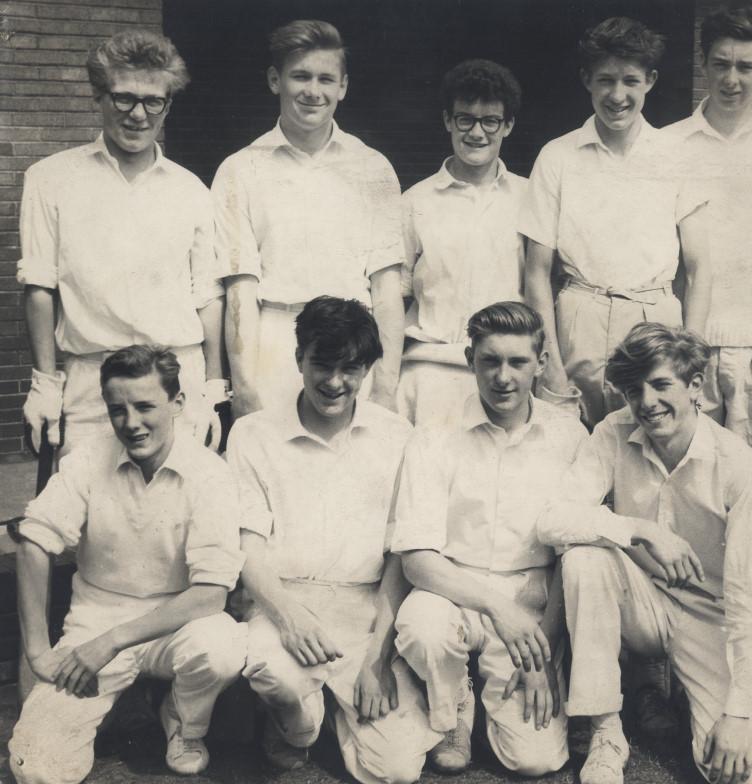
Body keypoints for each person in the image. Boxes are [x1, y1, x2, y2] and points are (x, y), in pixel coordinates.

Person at [538, 323, 752, 784]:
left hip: (713, 617)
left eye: (661, 384)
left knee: (734, 772)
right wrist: (639, 529)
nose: (646, 402)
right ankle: (606, 730)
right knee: (584, 557)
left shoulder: (740, 466)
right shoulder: (613, 431)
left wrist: (740, 713)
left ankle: (702, 694)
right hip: (641, 605)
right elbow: (551, 519)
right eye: (634, 389)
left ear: (695, 386)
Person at [8, 345, 246, 783]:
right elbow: (34, 540)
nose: (131, 423)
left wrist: (112, 642)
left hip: (177, 625)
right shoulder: (85, 460)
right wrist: (39, 652)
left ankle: (183, 723)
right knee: (37, 768)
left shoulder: (210, 474)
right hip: (95, 622)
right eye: (118, 409)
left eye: (144, 406)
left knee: (222, 648)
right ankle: (111, 706)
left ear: (177, 404)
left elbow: (212, 594)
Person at [225, 296, 440, 782]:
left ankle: (341, 705)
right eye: (322, 364)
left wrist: (378, 661)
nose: (335, 382)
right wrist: (289, 619)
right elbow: (248, 549)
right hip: (283, 601)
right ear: (298, 357)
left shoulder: (397, 435)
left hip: (363, 611)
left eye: (351, 368)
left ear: (366, 369)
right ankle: (296, 727)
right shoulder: (251, 434)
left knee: (396, 771)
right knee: (275, 674)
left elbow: (399, 558)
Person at [392, 301, 587, 776]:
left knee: (535, 762)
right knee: (423, 629)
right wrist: (499, 610)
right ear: (468, 360)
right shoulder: (434, 435)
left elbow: (572, 556)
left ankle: (496, 698)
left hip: (533, 596)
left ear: (540, 364)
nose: (503, 377)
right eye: (490, 361)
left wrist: (546, 650)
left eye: (518, 362)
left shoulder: (569, 436)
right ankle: (454, 701)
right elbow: (417, 559)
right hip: (452, 589)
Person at [18, 30, 226, 457]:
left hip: (176, 379)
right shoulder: (50, 179)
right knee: (92, 516)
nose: (138, 114)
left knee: (179, 511)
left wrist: (210, 387)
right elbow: (40, 287)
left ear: (168, 105)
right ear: (99, 96)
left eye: (154, 101)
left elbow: (207, 297)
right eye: (124, 98)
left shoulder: (192, 190)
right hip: (92, 383)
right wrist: (44, 383)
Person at [520, 17, 711, 427]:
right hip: (578, 321)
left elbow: (699, 269)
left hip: (655, 320)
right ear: (587, 80)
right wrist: (549, 361)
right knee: (570, 443)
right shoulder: (557, 157)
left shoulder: (677, 155)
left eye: (630, 80)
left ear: (650, 80)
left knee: (651, 447)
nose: (617, 95)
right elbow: (536, 272)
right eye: (606, 80)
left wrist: (690, 354)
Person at [213, 19, 404, 417]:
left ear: (343, 86)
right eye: (300, 77)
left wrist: (385, 386)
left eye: (325, 79)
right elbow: (240, 291)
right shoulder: (240, 169)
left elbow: (386, 290)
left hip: (354, 347)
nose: (313, 91)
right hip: (275, 345)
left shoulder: (373, 167)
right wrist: (245, 388)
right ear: (274, 79)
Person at [661, 5, 752, 450]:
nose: (732, 80)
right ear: (703, 63)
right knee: (692, 457)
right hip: (692, 336)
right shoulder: (668, 144)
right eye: (721, 64)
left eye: (746, 67)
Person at [398, 59, 538, 424]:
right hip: (431, 372)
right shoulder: (415, 201)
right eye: (466, 119)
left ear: (507, 125)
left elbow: (540, 289)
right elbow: (395, 296)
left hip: (504, 377)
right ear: (448, 120)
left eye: (490, 120)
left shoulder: (530, 198)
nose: (477, 132)